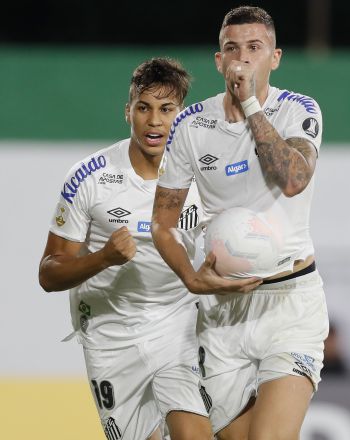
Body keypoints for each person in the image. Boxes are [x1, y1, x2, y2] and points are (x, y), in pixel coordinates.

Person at [150, 6, 327, 440]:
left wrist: (249, 103)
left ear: (276, 57)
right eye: (232, 48)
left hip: (290, 302)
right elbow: (162, 221)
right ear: (218, 60)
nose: (242, 58)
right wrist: (191, 278)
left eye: (255, 47)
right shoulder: (191, 126)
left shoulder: (297, 110)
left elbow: (292, 180)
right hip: (222, 313)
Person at [38, 58, 212, 440]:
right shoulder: (90, 177)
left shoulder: (202, 175)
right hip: (109, 335)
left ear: (181, 116)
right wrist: (104, 257)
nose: (154, 121)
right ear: (127, 112)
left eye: (167, 110)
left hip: (177, 325)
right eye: (143, 108)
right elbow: (49, 273)